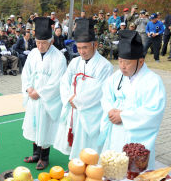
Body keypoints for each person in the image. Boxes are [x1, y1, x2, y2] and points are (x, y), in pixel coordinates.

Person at [98, 30, 166, 169]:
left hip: (135, 135)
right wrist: (110, 110)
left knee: (133, 174)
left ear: (141, 61)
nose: (122, 66)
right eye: (120, 61)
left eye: (127, 63)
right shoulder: (116, 77)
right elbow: (106, 96)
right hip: (115, 130)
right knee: (112, 168)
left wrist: (123, 116)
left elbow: (153, 112)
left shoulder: (153, 81)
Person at [54, 18, 113, 159]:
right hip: (74, 109)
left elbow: (99, 91)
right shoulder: (75, 62)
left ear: (95, 45)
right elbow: (64, 82)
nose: (82, 52)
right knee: (76, 149)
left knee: (90, 150)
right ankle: (76, 167)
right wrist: (69, 97)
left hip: (91, 113)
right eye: (78, 48)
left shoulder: (105, 66)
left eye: (85, 47)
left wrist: (78, 101)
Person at [21, 17, 67, 170]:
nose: (40, 46)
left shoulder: (58, 57)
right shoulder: (33, 53)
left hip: (46, 99)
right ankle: (35, 154)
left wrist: (39, 92)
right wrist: (28, 88)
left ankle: (44, 157)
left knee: (45, 126)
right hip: (33, 97)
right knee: (34, 125)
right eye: (38, 42)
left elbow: (57, 81)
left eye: (43, 43)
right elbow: (26, 73)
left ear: (51, 41)